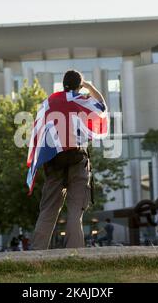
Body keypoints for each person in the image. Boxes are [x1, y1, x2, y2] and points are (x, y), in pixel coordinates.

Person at [29, 70, 107, 250]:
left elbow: (38, 130)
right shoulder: (82, 101)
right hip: (78, 161)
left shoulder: (47, 103)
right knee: (74, 212)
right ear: (79, 86)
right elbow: (102, 107)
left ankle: (36, 253)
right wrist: (90, 86)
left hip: (54, 162)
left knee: (48, 210)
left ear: (62, 84)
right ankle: (74, 253)